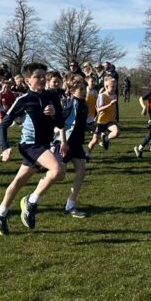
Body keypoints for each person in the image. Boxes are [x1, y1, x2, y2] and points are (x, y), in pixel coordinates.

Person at [0, 63, 66, 236]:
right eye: (38, 77)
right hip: (30, 145)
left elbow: (60, 123)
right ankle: (31, 201)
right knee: (56, 169)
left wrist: (54, 113)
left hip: (44, 145)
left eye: (43, 76)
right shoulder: (23, 100)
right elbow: (3, 125)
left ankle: (0, 213)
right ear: (27, 81)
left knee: (20, 181)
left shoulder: (52, 97)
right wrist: (5, 147)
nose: (42, 79)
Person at [59, 74, 91, 218]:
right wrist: (63, 142)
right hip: (67, 144)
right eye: (81, 89)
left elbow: (79, 124)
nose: (84, 91)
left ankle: (70, 205)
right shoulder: (72, 104)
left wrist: (91, 126)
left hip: (77, 144)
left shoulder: (84, 104)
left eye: (85, 88)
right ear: (72, 91)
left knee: (81, 172)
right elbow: (60, 123)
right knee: (58, 175)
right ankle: (32, 199)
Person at [86, 74, 120, 153]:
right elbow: (99, 109)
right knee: (94, 140)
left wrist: (114, 119)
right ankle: (87, 154)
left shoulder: (114, 95)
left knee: (117, 132)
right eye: (112, 86)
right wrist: (109, 104)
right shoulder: (101, 96)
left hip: (110, 121)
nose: (114, 88)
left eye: (115, 86)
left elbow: (113, 109)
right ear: (106, 87)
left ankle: (106, 138)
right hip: (100, 122)